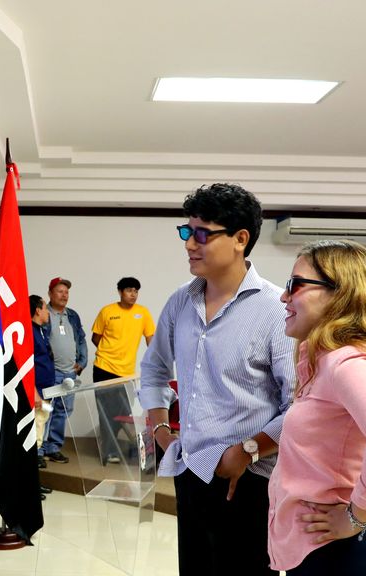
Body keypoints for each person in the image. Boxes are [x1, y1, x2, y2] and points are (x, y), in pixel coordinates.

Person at [140, 183, 295, 576]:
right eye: (186, 232)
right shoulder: (181, 301)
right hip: (190, 468)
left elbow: (299, 406)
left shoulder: (277, 312)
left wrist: (248, 450)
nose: (190, 243)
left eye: (203, 234)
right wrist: (160, 427)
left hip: (247, 478)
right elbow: (155, 367)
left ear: (241, 239)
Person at [268, 239, 366, 575]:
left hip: (348, 553)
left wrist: (357, 514)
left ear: (339, 293)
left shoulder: (346, 361)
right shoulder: (324, 360)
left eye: (294, 285)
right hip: (331, 548)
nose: (284, 297)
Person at [91, 277, 155, 464]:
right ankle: (109, 451)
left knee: (123, 411)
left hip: (127, 372)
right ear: (120, 292)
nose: (133, 294)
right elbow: (96, 338)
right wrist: (109, 354)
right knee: (106, 411)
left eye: (136, 291)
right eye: (129, 290)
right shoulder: (107, 311)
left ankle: (115, 446)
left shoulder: (142, 313)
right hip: (104, 368)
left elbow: (151, 339)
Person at [41, 277, 87, 464]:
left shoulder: (73, 315)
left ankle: (53, 448)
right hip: (51, 373)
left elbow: (82, 340)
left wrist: (82, 362)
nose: (64, 295)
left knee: (63, 410)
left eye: (66, 292)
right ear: (50, 293)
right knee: (45, 410)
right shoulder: (44, 314)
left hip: (69, 374)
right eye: (60, 291)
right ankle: (38, 448)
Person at [29, 295, 55, 498]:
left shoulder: (41, 331)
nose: (48, 312)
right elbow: (27, 365)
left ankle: (34, 483)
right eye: (45, 308)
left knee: (39, 439)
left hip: (47, 393)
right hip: (37, 394)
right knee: (34, 440)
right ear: (37, 310)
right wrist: (34, 392)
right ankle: (30, 486)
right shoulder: (30, 331)